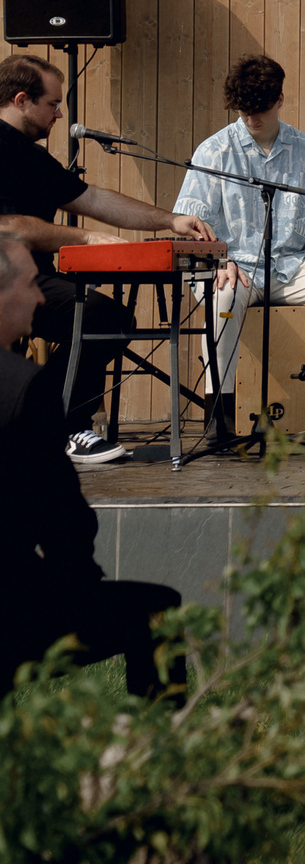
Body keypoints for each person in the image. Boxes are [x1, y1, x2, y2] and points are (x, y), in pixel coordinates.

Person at [0, 52, 221, 467]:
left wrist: (170, 220)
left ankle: (47, 422)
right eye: (52, 103)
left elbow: (94, 198)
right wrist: (86, 236)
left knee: (105, 317)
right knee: (101, 317)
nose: (60, 114)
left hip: (25, 283)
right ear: (21, 99)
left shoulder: (28, 154)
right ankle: (60, 426)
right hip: (5, 284)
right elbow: (9, 226)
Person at [0, 232, 184, 701]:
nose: (42, 295)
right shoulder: (24, 390)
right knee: (156, 609)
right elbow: (65, 523)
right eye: (31, 283)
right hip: (9, 607)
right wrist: (79, 588)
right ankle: (166, 750)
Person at [175, 55, 305, 435]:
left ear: (280, 100)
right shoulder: (214, 150)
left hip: (290, 266)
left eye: (261, 110)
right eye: (244, 111)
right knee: (222, 297)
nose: (252, 119)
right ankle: (218, 415)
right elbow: (189, 222)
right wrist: (220, 259)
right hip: (232, 266)